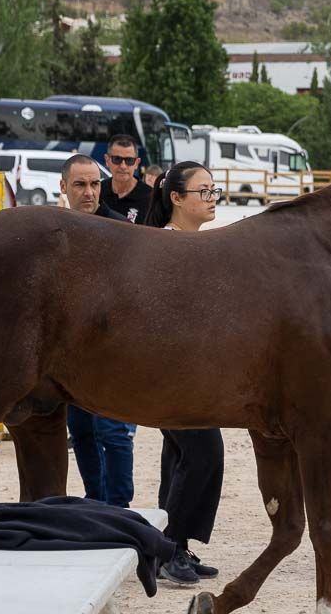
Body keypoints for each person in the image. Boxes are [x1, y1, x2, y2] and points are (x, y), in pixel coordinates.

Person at [143, 161, 225, 585]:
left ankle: (175, 547)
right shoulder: (164, 247)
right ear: (176, 198)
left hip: (194, 376)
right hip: (169, 375)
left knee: (180, 459)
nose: (212, 199)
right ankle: (166, 549)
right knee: (203, 455)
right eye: (204, 191)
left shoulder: (199, 246)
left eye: (214, 190)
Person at [58, 154, 136, 506]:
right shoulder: (54, 231)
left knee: (114, 432)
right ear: (64, 187)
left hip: (112, 352)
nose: (89, 192)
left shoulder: (120, 229)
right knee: (82, 432)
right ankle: (95, 500)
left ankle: (119, 506)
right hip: (69, 355)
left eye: (94, 184)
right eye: (80, 184)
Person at [99, 135, 152, 223]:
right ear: (107, 160)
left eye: (129, 160)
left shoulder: (151, 198)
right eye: (117, 159)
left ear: (137, 163)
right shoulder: (97, 191)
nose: (123, 166)